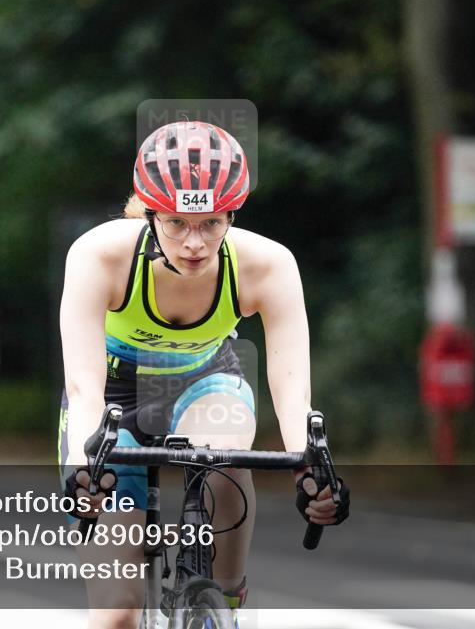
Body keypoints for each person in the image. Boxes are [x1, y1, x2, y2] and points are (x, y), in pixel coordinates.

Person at [58, 120, 349, 629]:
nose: (194, 242)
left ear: (232, 214)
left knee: (224, 457)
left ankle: (227, 601)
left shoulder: (268, 265)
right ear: (149, 214)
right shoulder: (98, 255)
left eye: (212, 223)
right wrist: (83, 465)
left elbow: (291, 389)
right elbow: (84, 387)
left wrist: (311, 468)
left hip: (204, 380)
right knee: (116, 615)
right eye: (175, 223)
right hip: (113, 399)